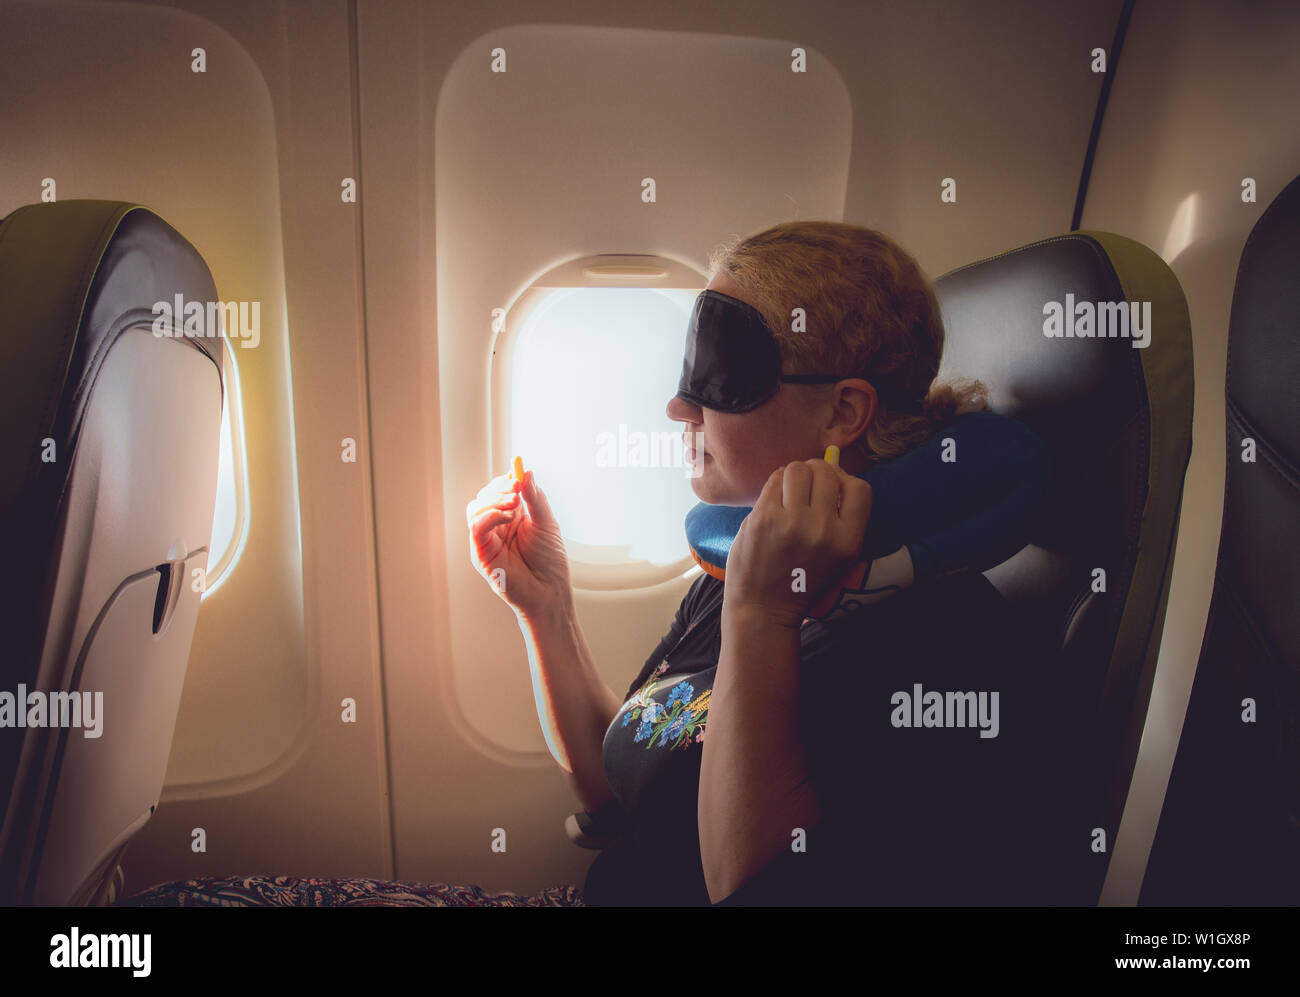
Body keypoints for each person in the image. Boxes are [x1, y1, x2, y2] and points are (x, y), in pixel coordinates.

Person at [465, 222, 1061, 906]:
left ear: (844, 411)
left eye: (720, 375)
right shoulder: (731, 573)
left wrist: (763, 615)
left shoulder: (950, 645)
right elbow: (616, 784)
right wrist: (547, 608)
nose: (678, 406)